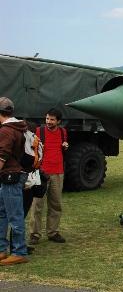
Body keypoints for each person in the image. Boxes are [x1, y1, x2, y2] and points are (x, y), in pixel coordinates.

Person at [29, 108, 68, 244]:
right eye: (47, 119)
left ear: (58, 121)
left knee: (56, 204)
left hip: (58, 172)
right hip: (41, 172)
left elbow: (63, 149)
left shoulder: (63, 132)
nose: (48, 121)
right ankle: (35, 234)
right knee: (37, 204)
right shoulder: (39, 131)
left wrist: (65, 146)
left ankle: (53, 232)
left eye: (52, 119)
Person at [0, 97, 29, 265]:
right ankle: (3, 249)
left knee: (14, 216)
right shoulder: (18, 127)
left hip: (10, 176)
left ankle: (19, 251)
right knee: (3, 213)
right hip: (13, 175)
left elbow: (2, 155)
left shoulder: (6, 130)